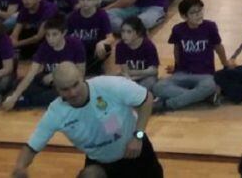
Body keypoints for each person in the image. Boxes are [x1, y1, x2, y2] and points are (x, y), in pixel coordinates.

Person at [10, 64, 162, 178]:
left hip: (136, 153)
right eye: (65, 89)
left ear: (82, 77)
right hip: (100, 163)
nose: (73, 93)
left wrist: (138, 136)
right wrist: (20, 167)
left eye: (75, 84)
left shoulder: (110, 86)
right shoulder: (55, 113)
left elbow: (146, 99)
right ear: (56, 89)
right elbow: (32, 146)